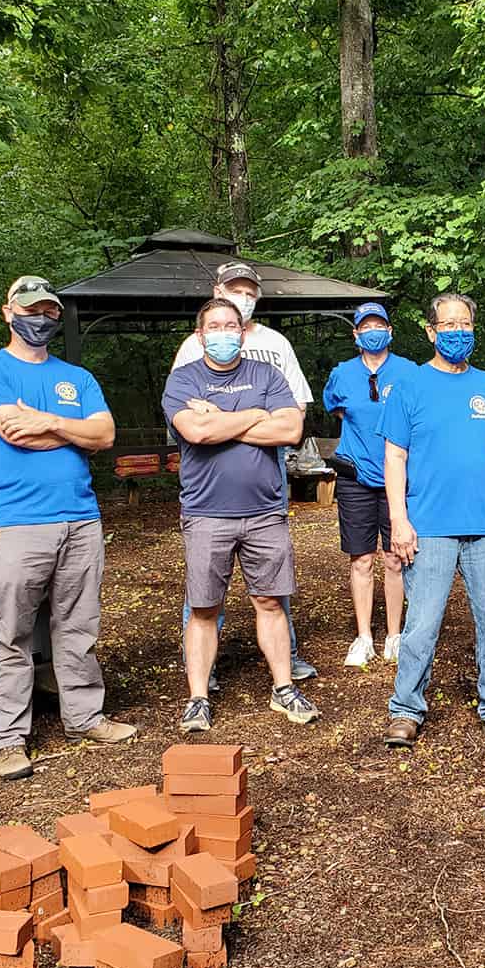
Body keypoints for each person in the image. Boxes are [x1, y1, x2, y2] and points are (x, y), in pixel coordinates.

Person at [0, 276, 137, 781]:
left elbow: (103, 434)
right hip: (15, 523)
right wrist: (69, 431)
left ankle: (84, 718)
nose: (40, 318)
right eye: (30, 308)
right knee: (12, 633)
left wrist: (50, 423)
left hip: (81, 519)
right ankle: (9, 739)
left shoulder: (77, 378)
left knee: (79, 626)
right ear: (8, 312)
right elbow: (14, 434)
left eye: (49, 311)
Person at [378, 293, 485, 749]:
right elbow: (395, 456)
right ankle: (406, 710)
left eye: (465, 323)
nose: (458, 331)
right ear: (430, 331)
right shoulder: (410, 386)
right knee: (422, 624)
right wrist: (399, 520)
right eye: (448, 325)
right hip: (429, 528)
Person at [163, 297, 317, 732]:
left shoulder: (267, 374)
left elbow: (290, 429)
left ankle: (283, 687)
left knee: (270, 601)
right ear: (200, 334)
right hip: (206, 512)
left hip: (265, 512)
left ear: (243, 331)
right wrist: (254, 415)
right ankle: (197, 698)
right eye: (215, 326)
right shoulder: (183, 380)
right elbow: (197, 431)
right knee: (204, 607)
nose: (224, 333)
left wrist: (225, 419)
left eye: (232, 325)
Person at [321, 301, 417, 669]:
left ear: (390, 332)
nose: (374, 331)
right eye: (367, 326)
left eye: (380, 325)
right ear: (356, 334)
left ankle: (395, 635)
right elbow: (340, 411)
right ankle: (363, 637)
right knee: (361, 559)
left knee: (395, 558)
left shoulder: (409, 372)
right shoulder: (342, 374)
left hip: (399, 480)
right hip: (356, 479)